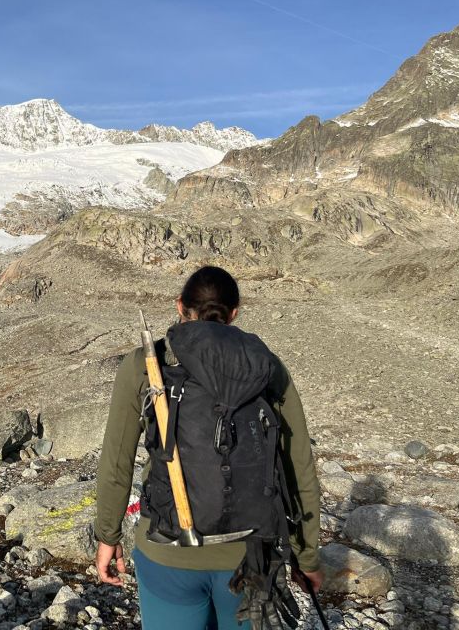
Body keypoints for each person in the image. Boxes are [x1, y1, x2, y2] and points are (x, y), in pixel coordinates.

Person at [94, 265, 322, 630]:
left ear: (180, 306)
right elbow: (298, 467)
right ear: (234, 313)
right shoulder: (266, 366)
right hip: (250, 555)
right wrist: (305, 556)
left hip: (167, 551)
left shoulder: (148, 363)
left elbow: (116, 463)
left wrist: (108, 536)